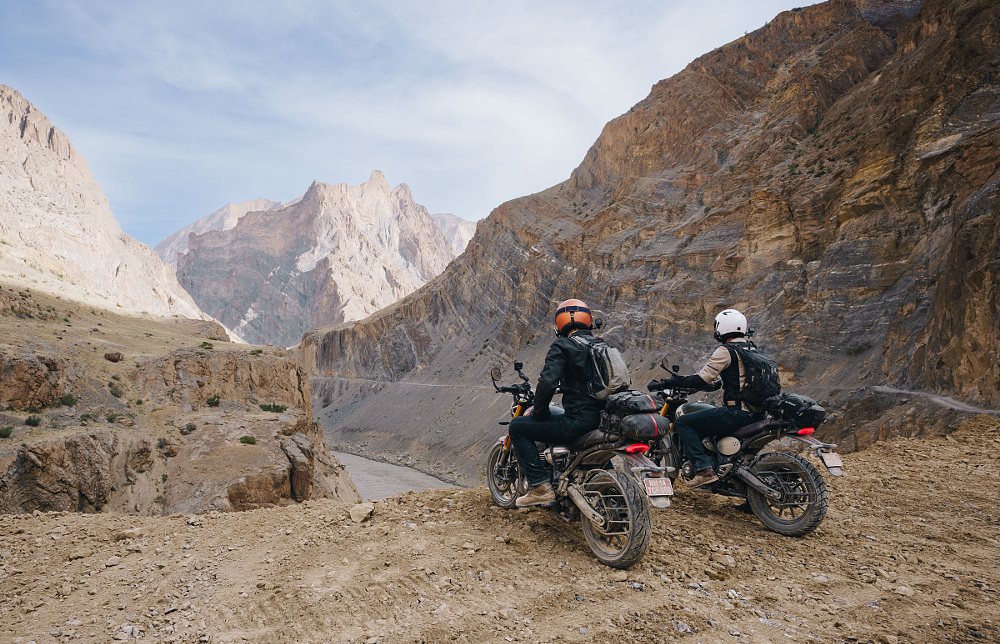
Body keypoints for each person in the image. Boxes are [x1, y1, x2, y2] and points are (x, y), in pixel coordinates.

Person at [508, 298, 606, 507]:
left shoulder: (563, 345)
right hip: (605, 420)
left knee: (517, 427)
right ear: (588, 321)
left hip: (578, 422)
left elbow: (548, 382)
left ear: (560, 324)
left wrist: (539, 411)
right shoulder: (601, 346)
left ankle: (540, 488)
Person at [654, 308, 763, 488]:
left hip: (737, 413)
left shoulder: (726, 350)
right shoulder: (752, 350)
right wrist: (716, 384)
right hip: (758, 412)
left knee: (684, 423)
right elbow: (738, 378)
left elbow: (702, 378)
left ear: (722, 327)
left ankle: (703, 469)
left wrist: (676, 381)